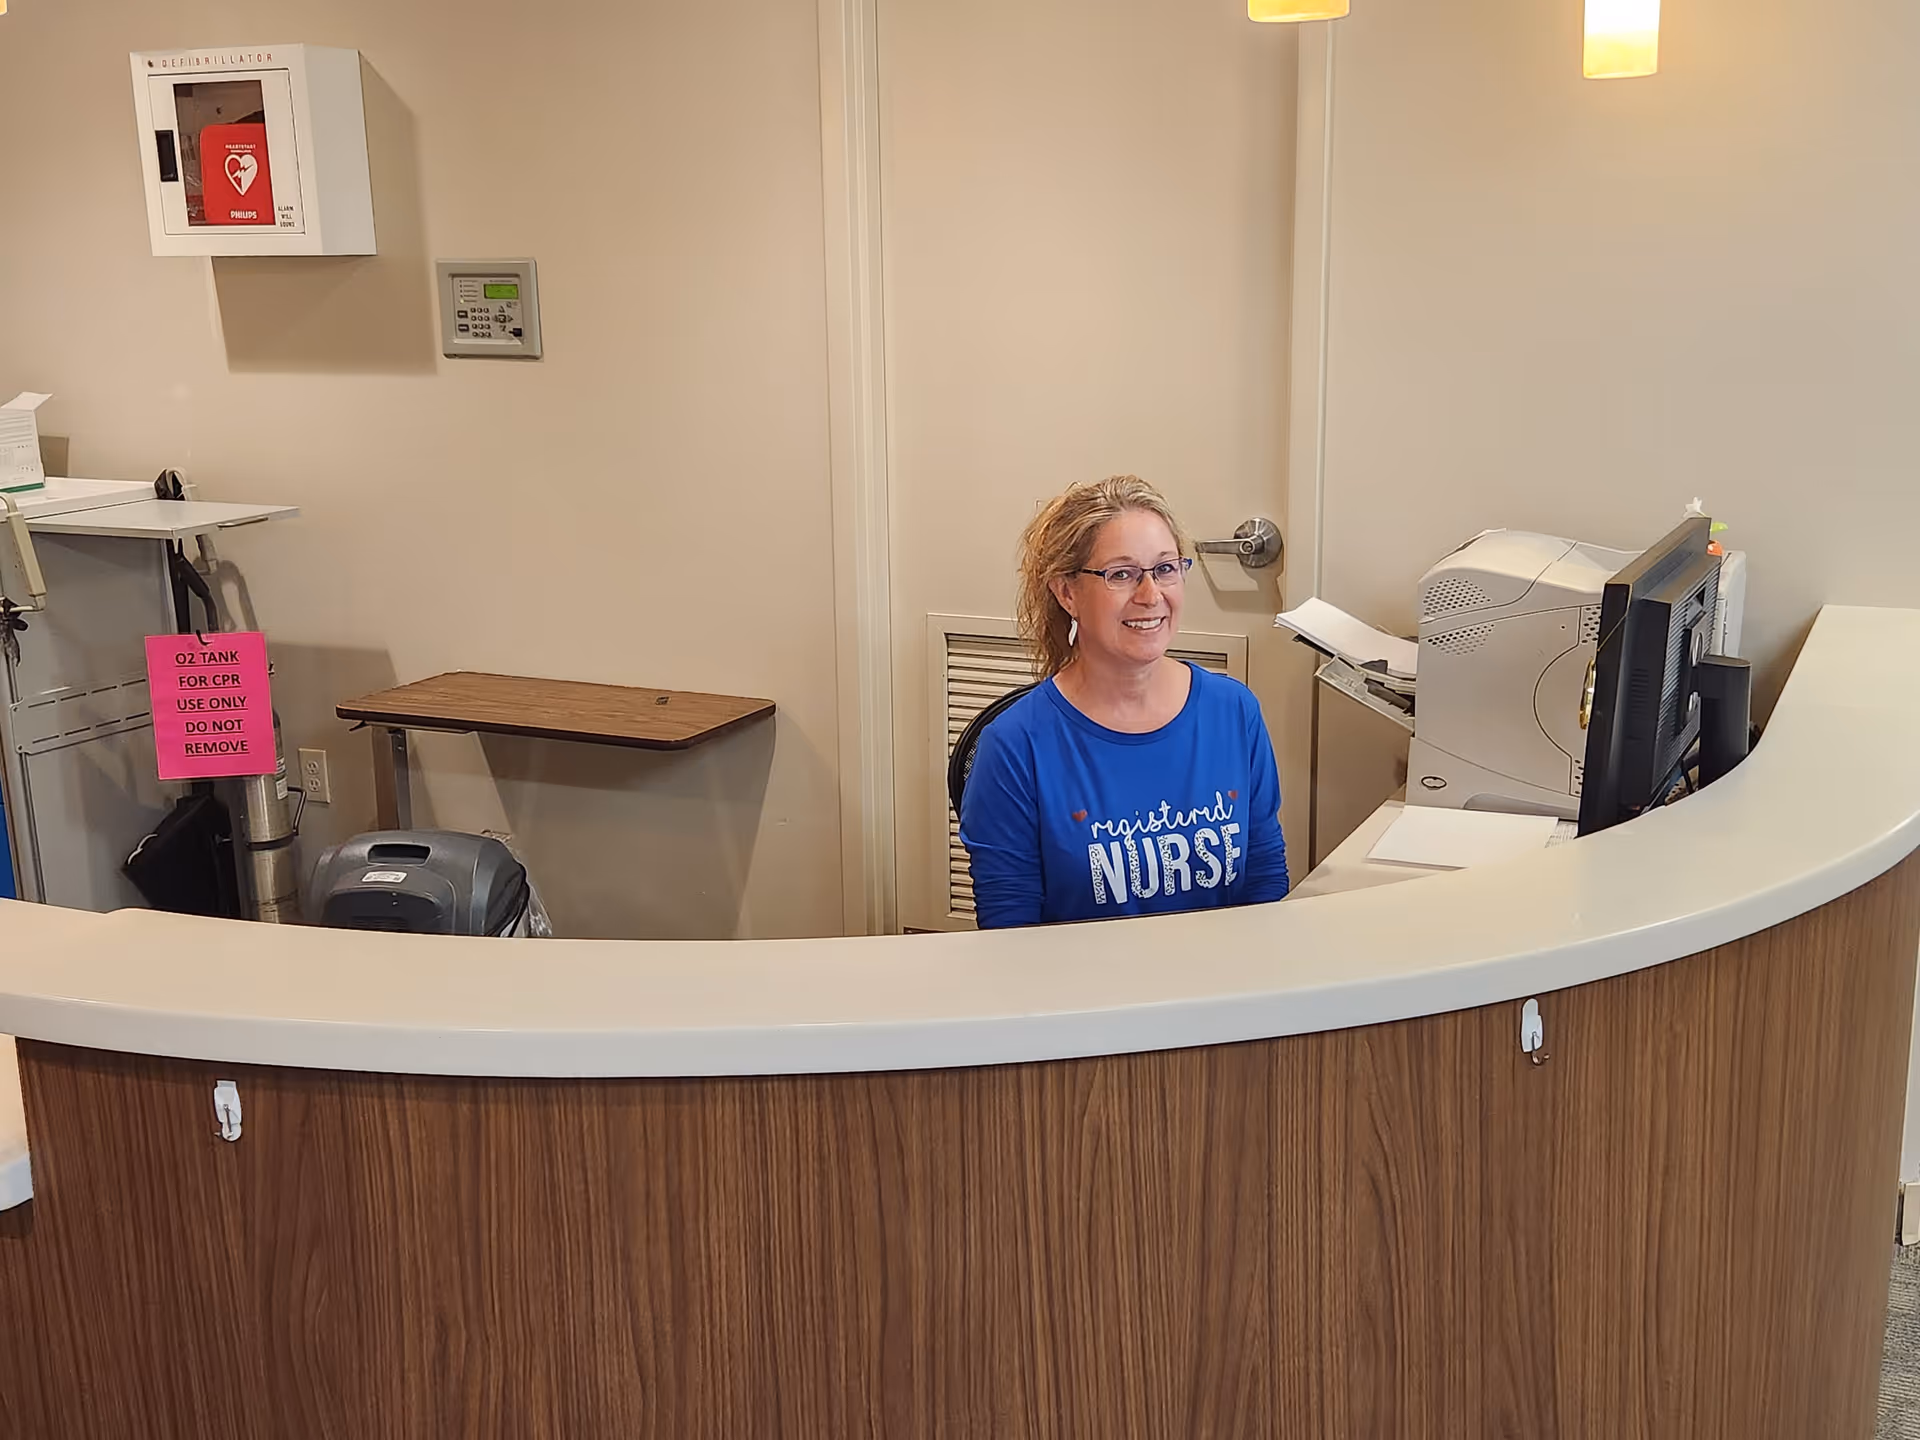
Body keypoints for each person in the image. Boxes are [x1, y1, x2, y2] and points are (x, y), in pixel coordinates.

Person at [959, 474, 1290, 929]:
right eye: (1121, 574)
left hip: (1220, 986)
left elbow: (1264, 882)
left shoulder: (1234, 712)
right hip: (1086, 996)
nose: (1151, 595)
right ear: (1067, 592)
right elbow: (1010, 934)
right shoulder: (1014, 747)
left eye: (1165, 568)